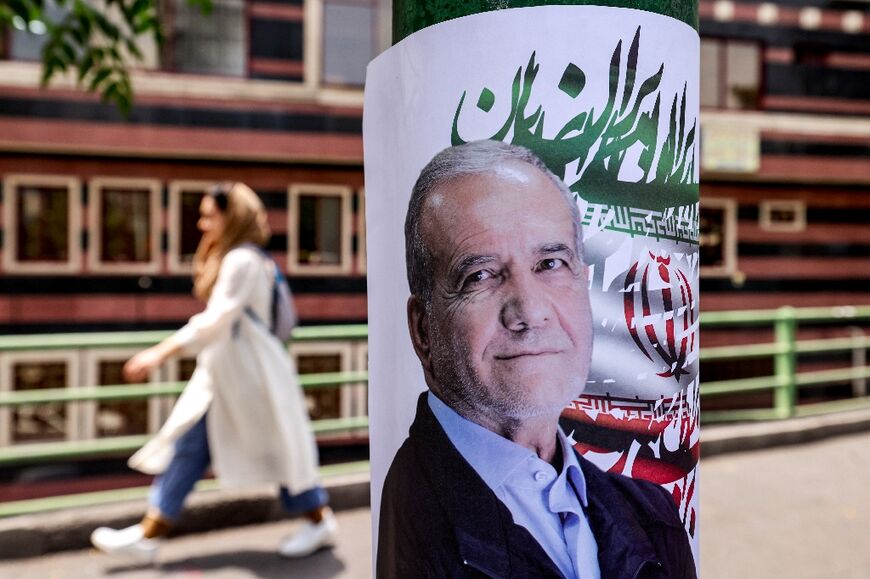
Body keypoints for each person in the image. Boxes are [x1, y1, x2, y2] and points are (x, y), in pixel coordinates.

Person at [377, 141, 697, 578]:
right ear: (423, 330)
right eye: (480, 275)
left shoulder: (652, 513)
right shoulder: (408, 518)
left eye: (550, 263)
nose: (529, 311)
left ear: (585, 287)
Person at [90, 182, 337, 562]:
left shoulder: (241, 260)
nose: (203, 224)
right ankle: (149, 533)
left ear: (231, 216)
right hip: (233, 378)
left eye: (209, 215)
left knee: (282, 452)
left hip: (251, 380)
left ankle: (319, 519)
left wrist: (158, 353)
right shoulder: (247, 258)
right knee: (192, 447)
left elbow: (216, 320)